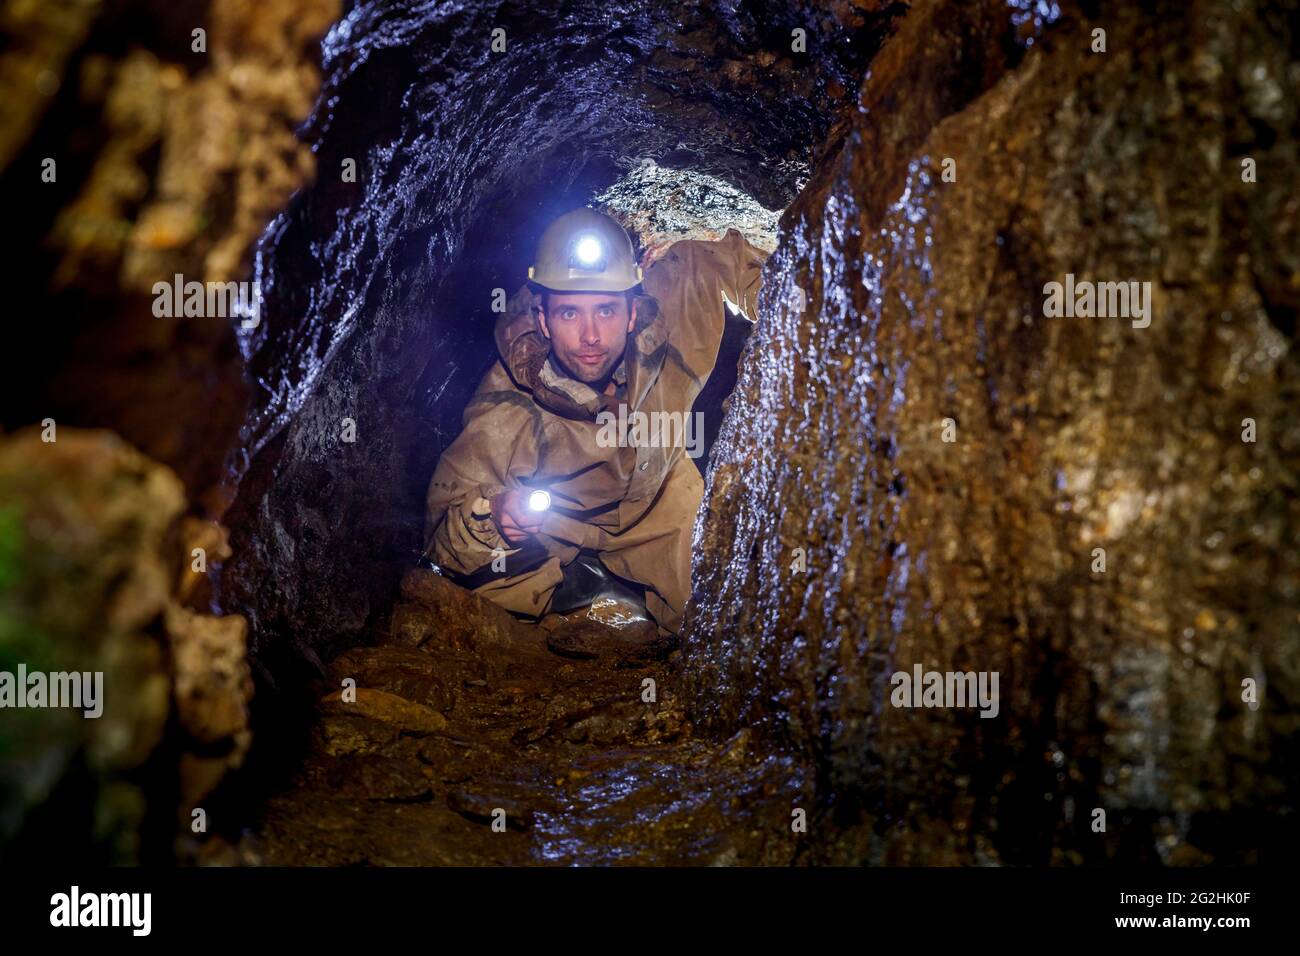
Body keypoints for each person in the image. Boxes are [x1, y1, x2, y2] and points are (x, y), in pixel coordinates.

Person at [422, 207, 765, 634]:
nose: (590, 336)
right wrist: (493, 515)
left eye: (605, 310)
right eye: (570, 314)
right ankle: (582, 583)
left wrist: (808, 309)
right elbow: (439, 537)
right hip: (557, 523)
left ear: (633, 313)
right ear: (544, 320)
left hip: (660, 497)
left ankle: (632, 586)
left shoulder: (676, 304)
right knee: (485, 602)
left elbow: (741, 266)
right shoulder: (504, 410)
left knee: (724, 617)